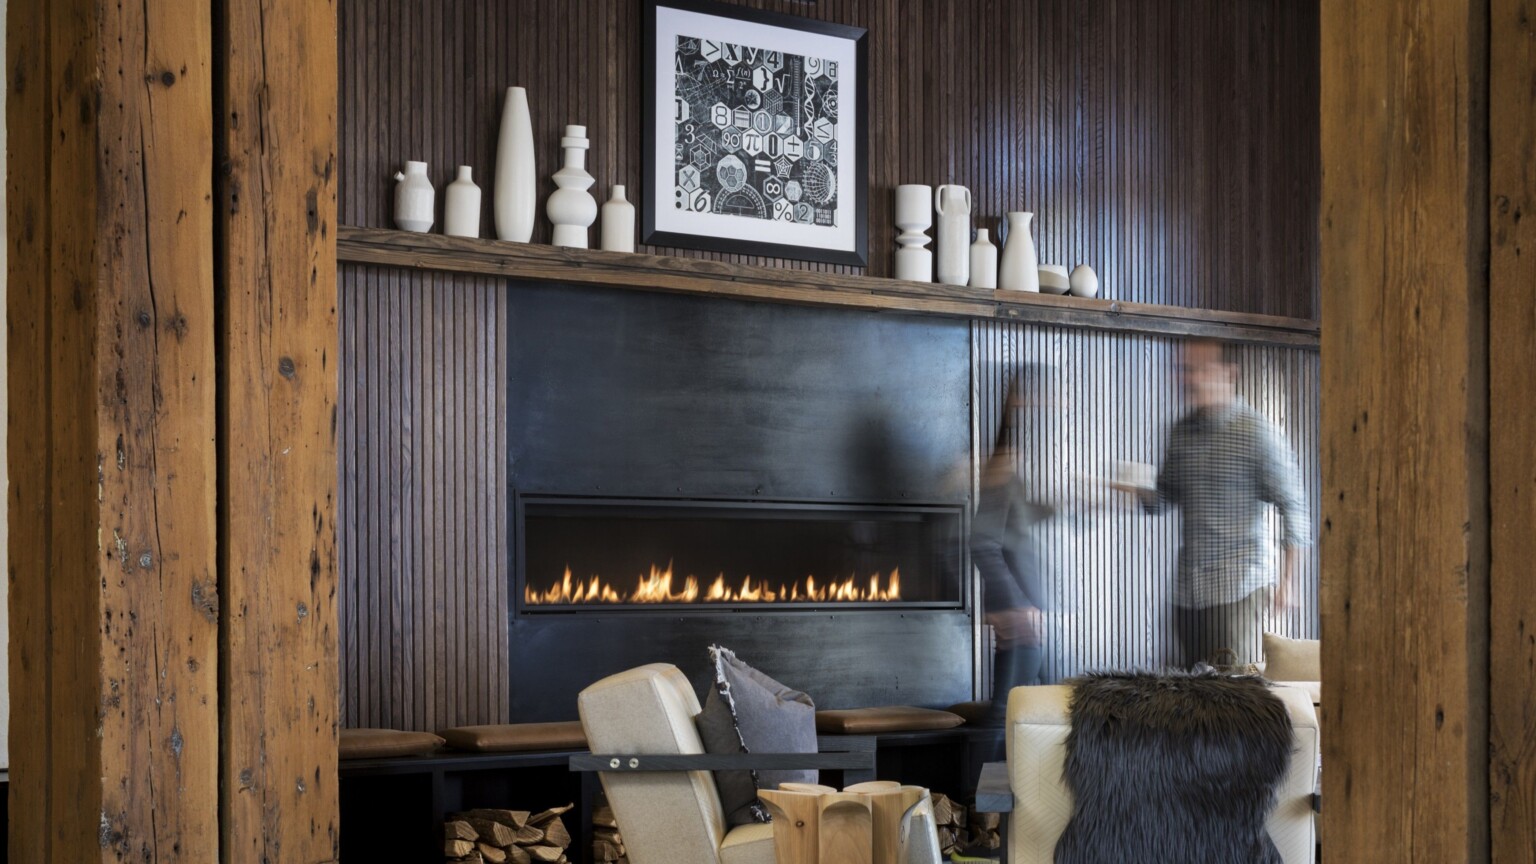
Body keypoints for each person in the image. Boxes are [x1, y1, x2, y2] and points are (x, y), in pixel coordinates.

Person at [1128, 338, 1311, 668]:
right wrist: (1131, 490)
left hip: (1237, 589)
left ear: (1230, 374)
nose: (1190, 379)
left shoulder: (1257, 433)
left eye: (1201, 370)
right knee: (1188, 690)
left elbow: (1293, 505)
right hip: (1187, 591)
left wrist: (1289, 582)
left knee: (1232, 690)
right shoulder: (1180, 433)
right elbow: (1165, 498)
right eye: (1184, 370)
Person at [970, 365, 1069, 726]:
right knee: (1007, 712)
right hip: (1018, 606)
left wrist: (1064, 504)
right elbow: (982, 541)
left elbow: (1016, 520)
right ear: (1021, 400)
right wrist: (1014, 604)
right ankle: (990, 769)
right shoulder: (1002, 465)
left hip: (1028, 603)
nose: (1058, 402)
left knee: (1053, 702)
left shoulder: (1010, 466)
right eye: (1048, 394)